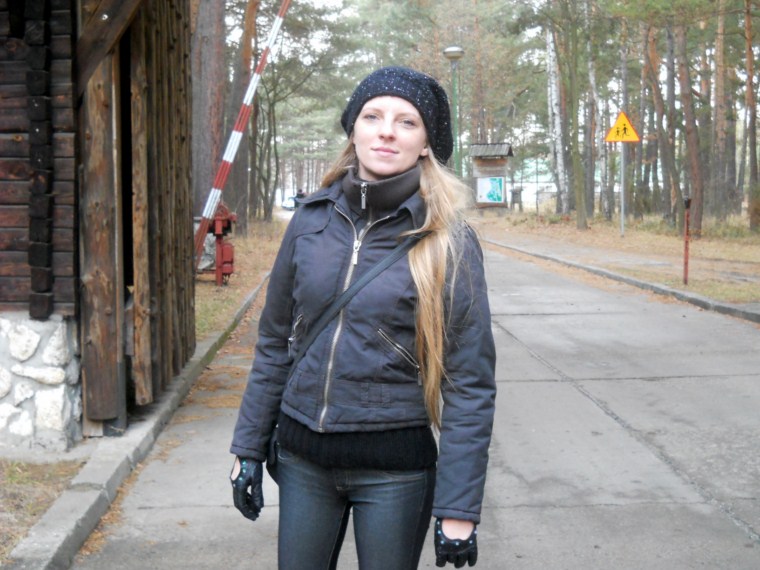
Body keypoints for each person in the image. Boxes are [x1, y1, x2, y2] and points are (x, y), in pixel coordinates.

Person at [230, 66, 496, 570]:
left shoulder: (450, 242)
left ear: (426, 144)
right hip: (303, 461)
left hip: (394, 470)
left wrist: (458, 508)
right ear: (354, 130)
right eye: (372, 116)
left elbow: (470, 382)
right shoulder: (310, 221)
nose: (386, 131)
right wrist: (248, 448)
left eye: (406, 121)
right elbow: (275, 342)